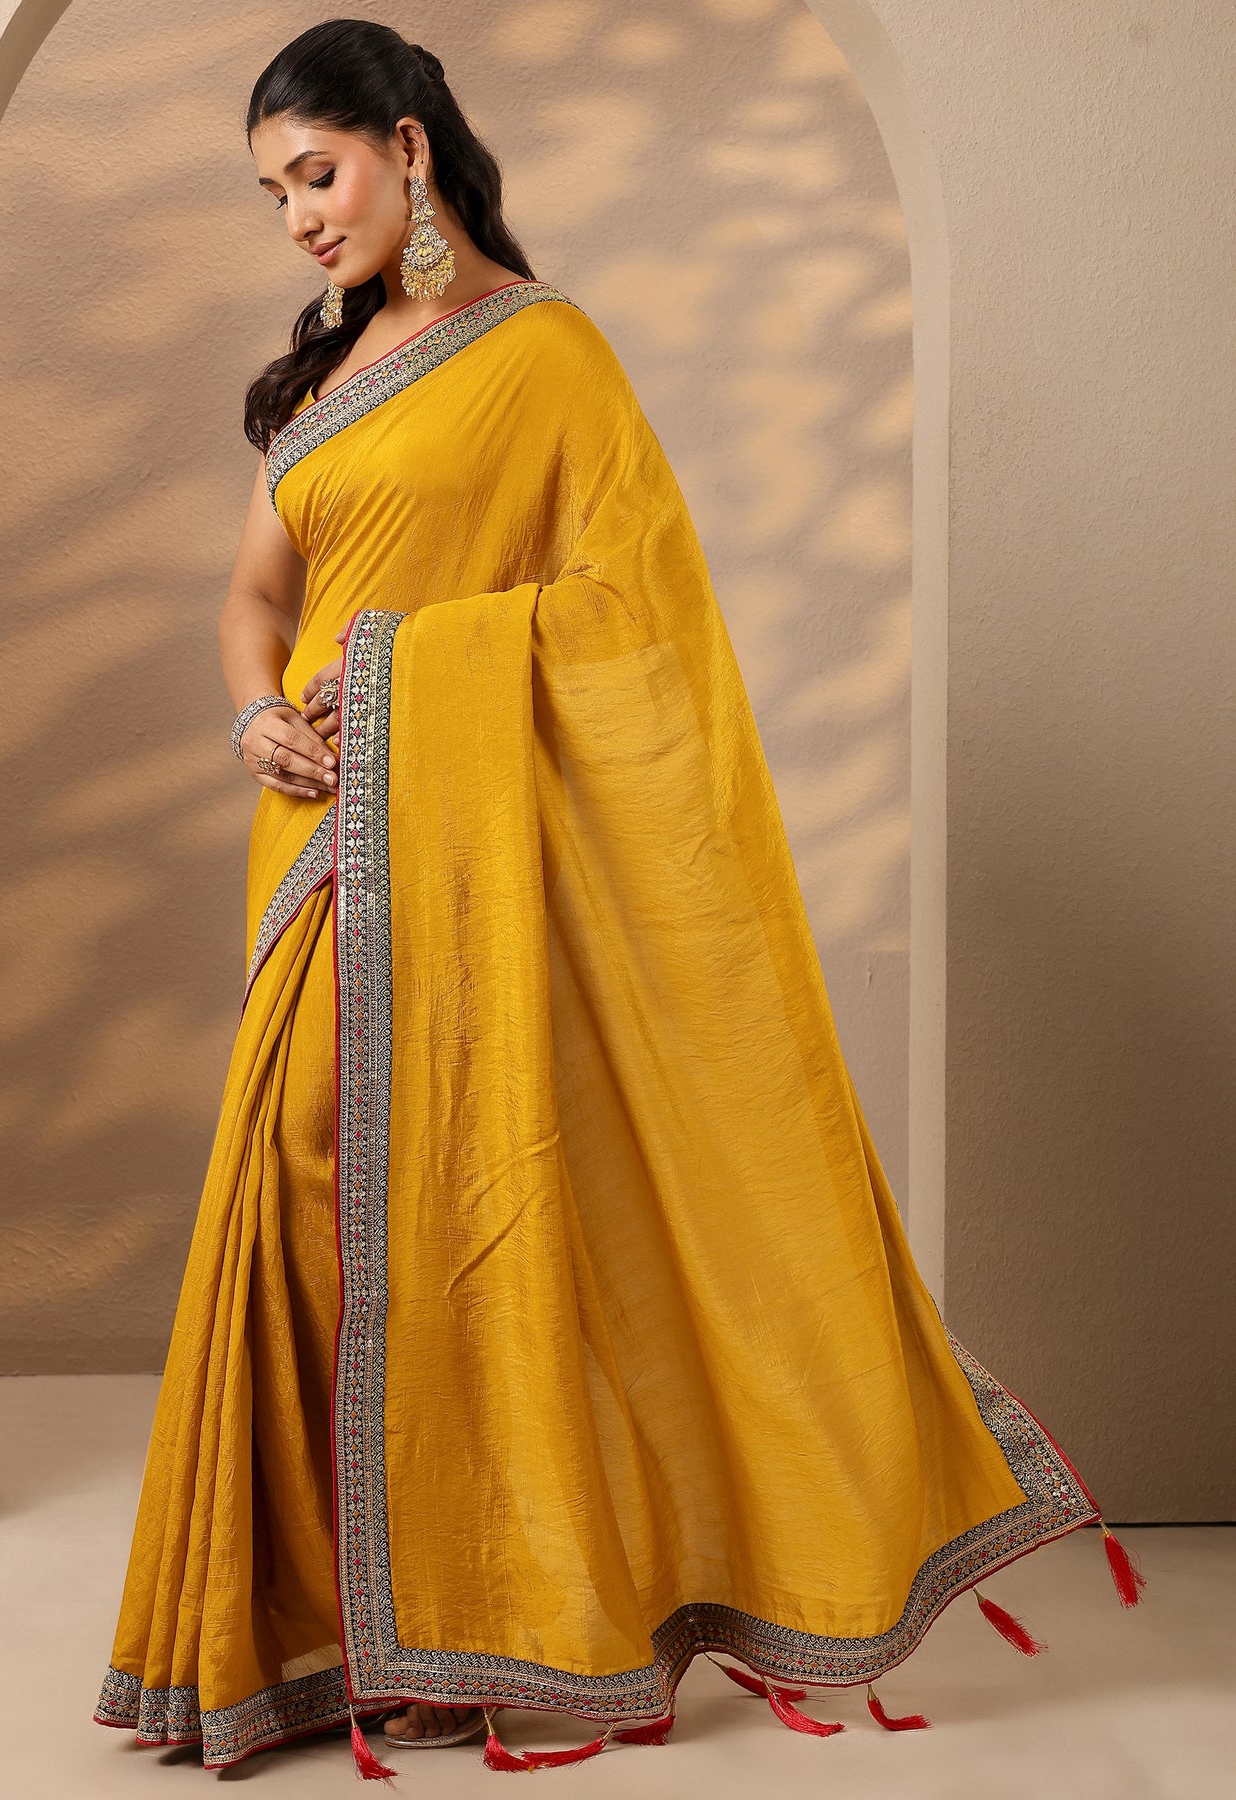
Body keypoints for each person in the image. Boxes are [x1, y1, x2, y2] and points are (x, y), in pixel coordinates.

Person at [93, 15, 1140, 1780]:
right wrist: (250, 708)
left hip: (461, 844)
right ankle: (317, 1633)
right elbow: (254, 594)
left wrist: (410, 663)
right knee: (303, 1186)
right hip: (320, 840)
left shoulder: (546, 351)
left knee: (451, 1194)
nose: (298, 218)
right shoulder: (327, 379)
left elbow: (635, 619)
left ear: (407, 148)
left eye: (316, 174)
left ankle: (479, 1615)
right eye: (270, 194)